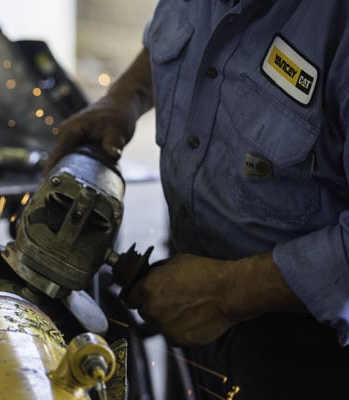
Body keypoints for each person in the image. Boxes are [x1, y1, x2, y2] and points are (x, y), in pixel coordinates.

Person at [43, 1, 349, 399]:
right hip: (189, 304)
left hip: (310, 354)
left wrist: (224, 293)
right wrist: (125, 96)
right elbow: (188, 37)